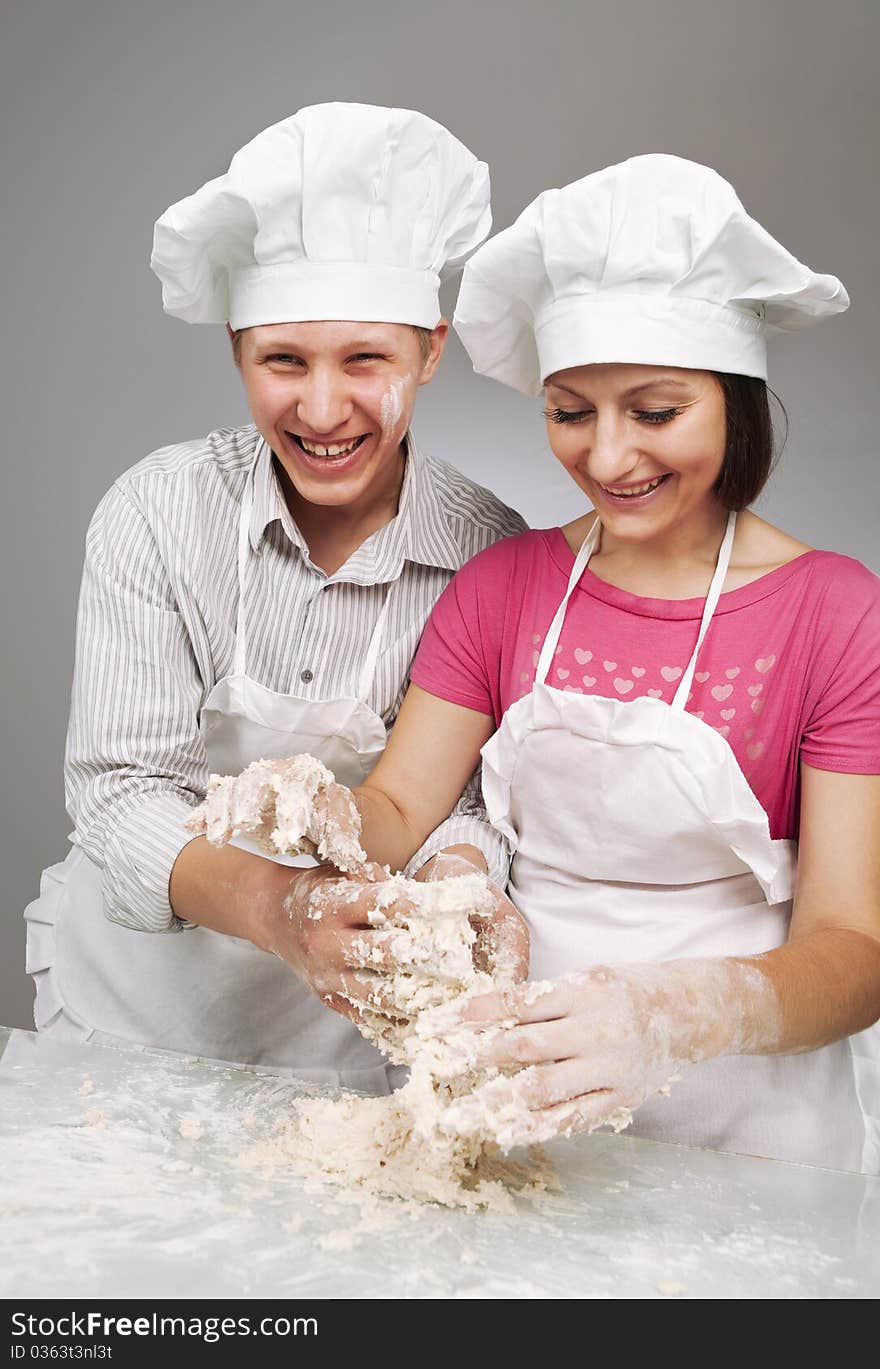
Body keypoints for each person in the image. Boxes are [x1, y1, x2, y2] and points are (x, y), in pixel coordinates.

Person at [344, 155, 880, 1170]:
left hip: (751, 1127)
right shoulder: (502, 587)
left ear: (734, 399)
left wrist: (678, 1012)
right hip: (513, 1111)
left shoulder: (836, 613)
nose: (606, 459)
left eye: (655, 411)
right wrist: (317, 822)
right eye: (569, 411)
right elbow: (398, 812)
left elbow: (856, 951)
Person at [24, 103, 526, 1089]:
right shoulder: (159, 514)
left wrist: (460, 886)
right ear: (237, 352)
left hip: (343, 1039)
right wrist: (281, 910)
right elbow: (122, 793)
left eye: (366, 359)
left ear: (430, 349)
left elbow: (467, 802)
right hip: (134, 1001)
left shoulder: (489, 553)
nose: (324, 408)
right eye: (283, 359)